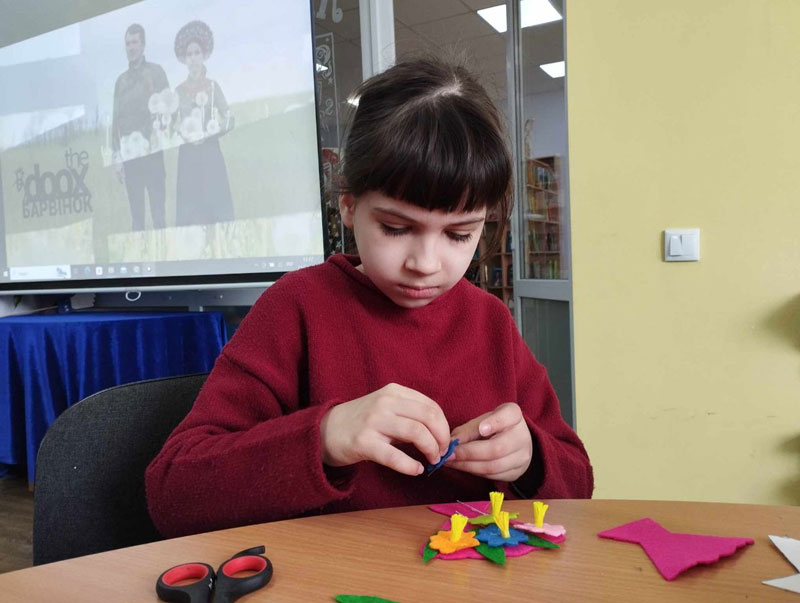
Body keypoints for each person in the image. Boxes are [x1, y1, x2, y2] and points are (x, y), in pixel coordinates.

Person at [146, 57, 593, 538]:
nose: (426, 262)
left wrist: (530, 458)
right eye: (396, 228)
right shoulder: (297, 307)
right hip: (334, 572)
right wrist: (324, 438)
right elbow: (173, 492)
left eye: (459, 234)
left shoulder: (490, 321)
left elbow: (579, 481)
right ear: (349, 206)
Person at [173, 20, 234, 226]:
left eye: (196, 53)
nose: (193, 58)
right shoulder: (178, 91)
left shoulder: (213, 87)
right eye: (189, 54)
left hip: (210, 155)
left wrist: (214, 131)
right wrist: (183, 133)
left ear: (203, 55)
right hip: (188, 157)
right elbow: (170, 125)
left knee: (215, 206)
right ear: (184, 59)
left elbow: (229, 117)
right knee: (190, 210)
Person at [111, 23, 168, 231]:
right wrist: (117, 157)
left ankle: (163, 253)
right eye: (128, 43)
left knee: (159, 217)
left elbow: (168, 109)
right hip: (131, 160)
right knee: (137, 221)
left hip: (153, 156)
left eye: (135, 42)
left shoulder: (156, 72)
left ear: (143, 45)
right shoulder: (120, 82)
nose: (131, 47)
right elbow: (115, 122)